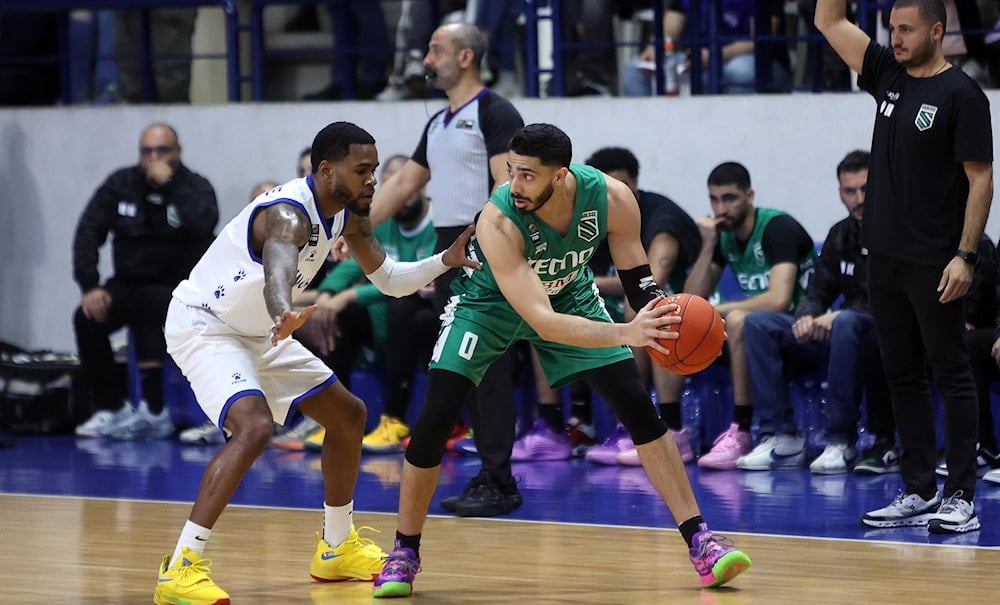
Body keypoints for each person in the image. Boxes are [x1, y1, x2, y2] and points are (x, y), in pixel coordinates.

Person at [372, 124, 751, 598]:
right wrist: (627, 331)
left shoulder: (611, 198)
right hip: (489, 304)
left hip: (569, 294)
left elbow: (638, 279)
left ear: (562, 175)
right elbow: (541, 321)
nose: (515, 184)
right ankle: (405, 551)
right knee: (435, 416)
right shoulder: (498, 219)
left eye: (528, 175)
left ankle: (701, 541)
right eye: (512, 172)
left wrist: (660, 311)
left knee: (636, 404)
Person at [153, 121, 480, 604]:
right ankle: (179, 568)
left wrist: (443, 261)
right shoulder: (286, 215)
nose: (373, 180)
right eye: (362, 170)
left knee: (348, 416)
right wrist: (285, 308)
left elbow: (389, 280)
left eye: (374, 169)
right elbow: (277, 271)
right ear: (326, 170)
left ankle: (335, 547)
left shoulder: (348, 215)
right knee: (254, 428)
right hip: (207, 324)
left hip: (260, 329)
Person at [816, 0, 993, 534]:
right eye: (891, 28)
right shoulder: (887, 74)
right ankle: (918, 489)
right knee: (902, 374)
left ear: (937, 31)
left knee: (952, 372)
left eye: (907, 29)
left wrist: (965, 256)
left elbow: (981, 181)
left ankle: (960, 495)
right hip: (884, 259)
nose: (895, 38)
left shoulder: (962, 94)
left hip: (936, 261)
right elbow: (828, 21)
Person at [356, 22, 526, 518]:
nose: (426, 59)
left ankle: (499, 480)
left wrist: (489, 237)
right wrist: (354, 230)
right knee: (467, 367)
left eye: (436, 50)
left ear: (466, 56)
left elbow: (506, 184)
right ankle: (492, 474)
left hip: (483, 250)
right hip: (451, 250)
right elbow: (405, 182)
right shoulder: (438, 123)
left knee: (486, 367)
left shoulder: (495, 111)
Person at [73, 123, 218, 441]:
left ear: (177, 152)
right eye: (147, 151)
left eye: (162, 151)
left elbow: (204, 225)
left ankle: (155, 411)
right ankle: (111, 408)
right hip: (127, 281)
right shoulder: (120, 184)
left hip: (179, 286)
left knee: (148, 304)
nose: (153, 158)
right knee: (87, 318)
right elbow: (88, 232)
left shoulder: (194, 186)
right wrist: (90, 286)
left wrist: (171, 187)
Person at [738, 150, 881, 473]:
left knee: (844, 321)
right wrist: (807, 315)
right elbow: (818, 289)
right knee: (759, 323)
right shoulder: (839, 234)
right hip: (843, 331)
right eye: (850, 191)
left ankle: (841, 441)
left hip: (884, 334)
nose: (859, 199)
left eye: (866, 189)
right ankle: (781, 437)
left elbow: (893, 295)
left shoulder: (899, 231)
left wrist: (839, 314)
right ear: (840, 193)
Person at [684, 161, 818, 470]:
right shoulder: (725, 237)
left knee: (739, 320)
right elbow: (691, 299)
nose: (721, 208)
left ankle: (744, 430)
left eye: (729, 198)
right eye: (714, 199)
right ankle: (671, 429)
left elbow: (779, 300)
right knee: (673, 321)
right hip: (764, 337)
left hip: (806, 330)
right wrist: (706, 246)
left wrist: (716, 312)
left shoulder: (777, 228)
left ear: (750, 195)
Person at [311, 154, 439, 454]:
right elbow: (356, 262)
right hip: (392, 311)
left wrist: (351, 295)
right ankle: (337, 420)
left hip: (428, 316)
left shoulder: (438, 224)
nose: (402, 196)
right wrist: (328, 294)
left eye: (405, 185)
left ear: (421, 185)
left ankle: (394, 421)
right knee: (338, 315)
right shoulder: (382, 223)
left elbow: (415, 281)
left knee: (402, 309)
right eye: (392, 185)